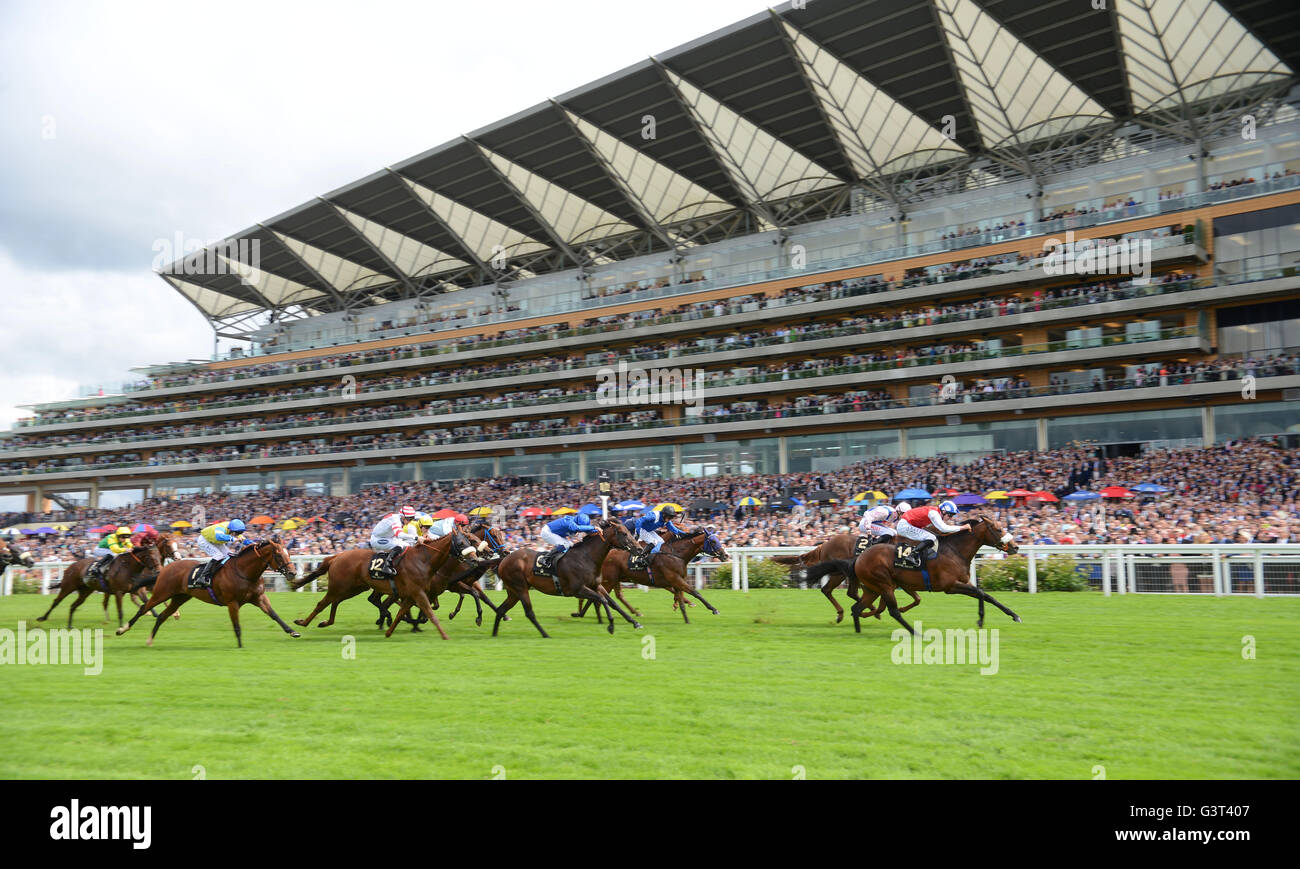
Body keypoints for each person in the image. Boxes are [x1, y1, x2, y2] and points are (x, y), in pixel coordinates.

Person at [895, 500, 970, 564]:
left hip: (908, 525)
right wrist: (963, 527)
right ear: (943, 511)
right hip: (905, 526)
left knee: (932, 537)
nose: (951, 518)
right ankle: (912, 556)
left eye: (953, 515)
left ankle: (919, 556)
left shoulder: (935, 512)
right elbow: (944, 529)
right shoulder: (934, 513)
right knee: (931, 537)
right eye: (950, 515)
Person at [194, 518, 248, 586]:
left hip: (215, 541)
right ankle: (202, 577)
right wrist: (233, 539)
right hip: (204, 540)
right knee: (218, 555)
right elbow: (219, 536)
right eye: (237, 533)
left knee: (229, 555)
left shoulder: (235, 530)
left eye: (240, 533)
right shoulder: (221, 527)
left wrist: (255, 544)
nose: (238, 535)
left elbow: (244, 540)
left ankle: (222, 575)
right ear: (231, 529)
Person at [369, 505, 418, 577]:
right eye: (409, 519)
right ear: (402, 516)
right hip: (377, 539)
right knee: (400, 545)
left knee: (407, 545)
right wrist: (416, 538)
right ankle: (386, 566)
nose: (409, 521)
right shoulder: (395, 520)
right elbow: (399, 534)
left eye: (412, 519)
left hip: (386, 538)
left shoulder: (399, 519)